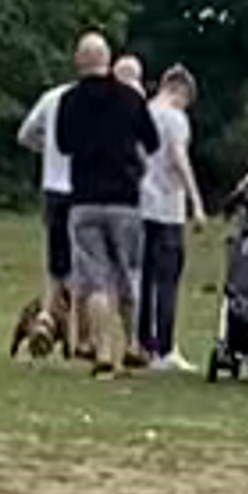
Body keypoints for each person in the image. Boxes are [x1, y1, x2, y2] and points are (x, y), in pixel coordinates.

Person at [58, 44, 160, 374]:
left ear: (79, 61)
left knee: (95, 280)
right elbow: (153, 141)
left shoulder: (69, 100)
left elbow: (62, 144)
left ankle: (102, 351)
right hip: (125, 200)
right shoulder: (129, 98)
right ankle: (132, 344)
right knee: (129, 274)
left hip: (85, 199)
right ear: (108, 60)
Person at [14, 30, 111, 348]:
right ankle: (83, 336)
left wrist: (48, 150)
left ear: (78, 61)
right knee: (88, 264)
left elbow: (25, 135)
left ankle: (46, 317)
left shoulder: (53, 98)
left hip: (54, 189)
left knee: (57, 262)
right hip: (86, 191)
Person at [139, 66, 205, 371]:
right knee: (167, 279)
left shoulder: (143, 112)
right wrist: (196, 201)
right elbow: (179, 157)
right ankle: (164, 348)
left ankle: (143, 343)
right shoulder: (175, 118)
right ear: (180, 90)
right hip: (167, 207)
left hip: (141, 204)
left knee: (144, 277)